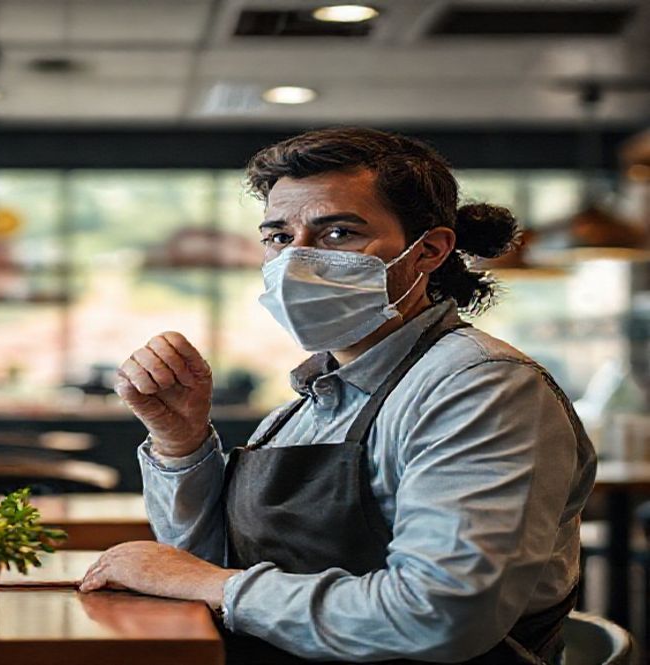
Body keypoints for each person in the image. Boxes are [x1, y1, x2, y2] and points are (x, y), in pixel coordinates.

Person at [79, 127, 597, 664]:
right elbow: (205, 566)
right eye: (279, 237)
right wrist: (179, 442)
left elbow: (439, 616)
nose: (294, 262)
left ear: (429, 252)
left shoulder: (482, 386)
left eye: (337, 234)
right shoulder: (309, 401)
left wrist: (216, 587)